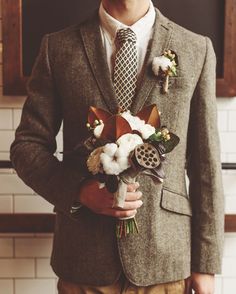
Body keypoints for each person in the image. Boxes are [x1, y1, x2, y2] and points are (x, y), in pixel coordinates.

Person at [10, 0, 224, 293]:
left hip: (165, 261)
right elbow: (27, 146)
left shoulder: (195, 49)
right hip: (84, 261)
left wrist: (206, 264)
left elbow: (206, 166)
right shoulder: (57, 48)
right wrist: (79, 192)